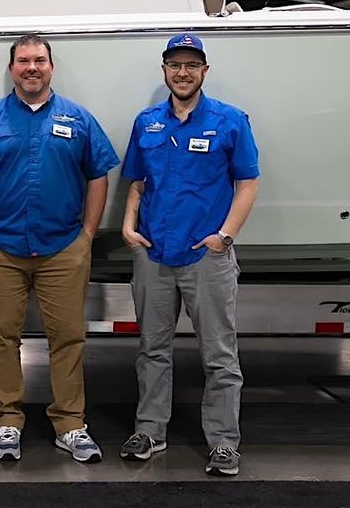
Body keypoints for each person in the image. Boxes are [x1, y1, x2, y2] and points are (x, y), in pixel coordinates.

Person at [0, 33, 118, 463]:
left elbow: (98, 174)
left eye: (39, 60)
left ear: (51, 67)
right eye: (23, 60)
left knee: (68, 337)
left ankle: (70, 424)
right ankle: (8, 420)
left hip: (63, 248)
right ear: (12, 69)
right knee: (2, 336)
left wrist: (87, 234)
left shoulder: (78, 119)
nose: (32, 68)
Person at [118, 33, 259, 477]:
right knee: (152, 349)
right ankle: (150, 431)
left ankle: (223, 442)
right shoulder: (147, 123)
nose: (183, 73)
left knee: (219, 355)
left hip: (206, 258)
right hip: (154, 254)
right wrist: (127, 226)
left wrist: (225, 237)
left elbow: (248, 183)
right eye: (175, 65)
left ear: (204, 71)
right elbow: (137, 181)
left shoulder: (230, 121)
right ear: (165, 71)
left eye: (191, 65)